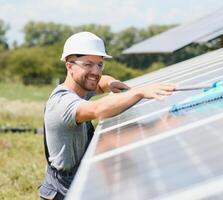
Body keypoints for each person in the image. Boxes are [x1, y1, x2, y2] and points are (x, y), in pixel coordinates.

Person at [38, 32, 176, 200]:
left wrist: (111, 84)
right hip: (62, 190)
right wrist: (139, 92)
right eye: (88, 64)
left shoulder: (81, 90)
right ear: (69, 66)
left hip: (75, 179)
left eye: (100, 64)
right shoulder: (62, 102)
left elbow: (102, 81)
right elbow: (98, 109)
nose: (95, 72)